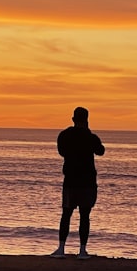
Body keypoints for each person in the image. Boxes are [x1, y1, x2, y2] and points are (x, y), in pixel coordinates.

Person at [51, 107, 105, 259]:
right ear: (86, 120)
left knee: (66, 214)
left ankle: (61, 248)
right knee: (84, 215)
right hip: (87, 181)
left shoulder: (65, 135)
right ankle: (82, 250)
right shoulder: (90, 137)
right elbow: (100, 151)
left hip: (71, 180)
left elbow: (61, 152)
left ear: (73, 119)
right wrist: (87, 132)